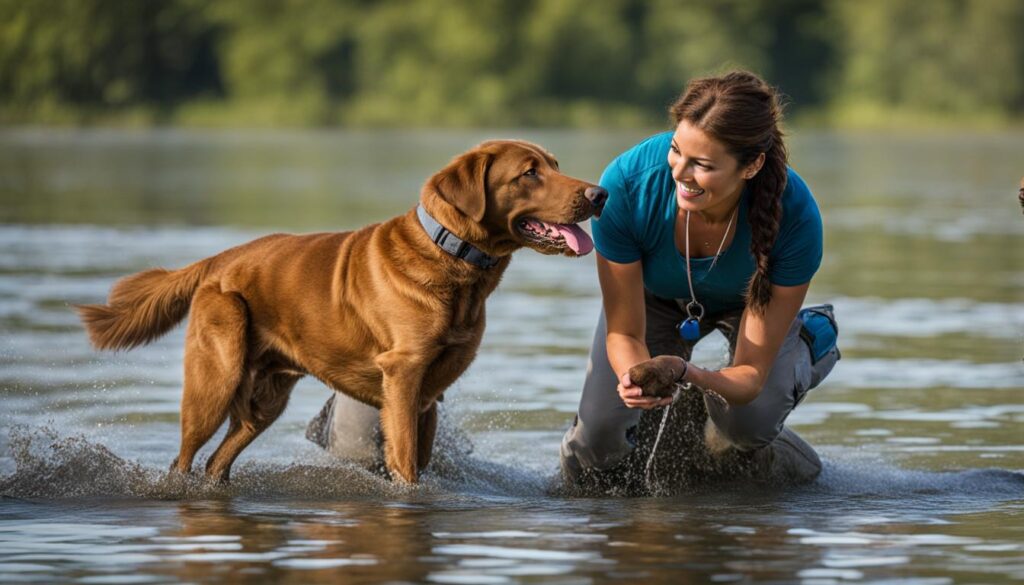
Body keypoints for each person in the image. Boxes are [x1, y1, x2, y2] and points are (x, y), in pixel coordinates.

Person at [559, 70, 840, 493]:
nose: (680, 173)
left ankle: (806, 345)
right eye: (676, 151)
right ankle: (669, 421)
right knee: (600, 439)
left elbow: (748, 377)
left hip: (749, 305)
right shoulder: (627, 186)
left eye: (703, 166)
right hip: (656, 299)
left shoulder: (796, 219)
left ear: (752, 165)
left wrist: (688, 373)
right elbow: (623, 331)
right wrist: (633, 380)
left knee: (747, 424)